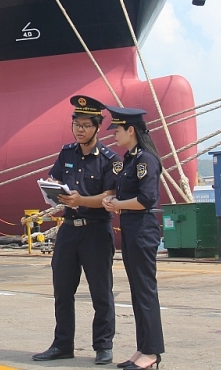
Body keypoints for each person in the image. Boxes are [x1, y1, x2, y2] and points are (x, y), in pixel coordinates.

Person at [33, 95, 122, 366]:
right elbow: (55, 179)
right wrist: (52, 190)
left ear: (97, 127)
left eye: (85, 125)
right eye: (76, 124)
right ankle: (62, 345)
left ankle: (103, 346)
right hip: (69, 230)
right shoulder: (67, 153)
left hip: (96, 231)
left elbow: (108, 198)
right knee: (62, 290)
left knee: (101, 292)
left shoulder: (109, 159)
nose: (80, 129)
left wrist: (79, 200)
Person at [101, 106, 164, 370]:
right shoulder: (130, 158)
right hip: (131, 226)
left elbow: (147, 199)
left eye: (117, 129)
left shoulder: (145, 160)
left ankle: (152, 352)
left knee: (145, 290)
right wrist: (117, 203)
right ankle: (143, 348)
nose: (114, 134)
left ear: (131, 130)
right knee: (138, 291)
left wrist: (117, 204)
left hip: (142, 228)